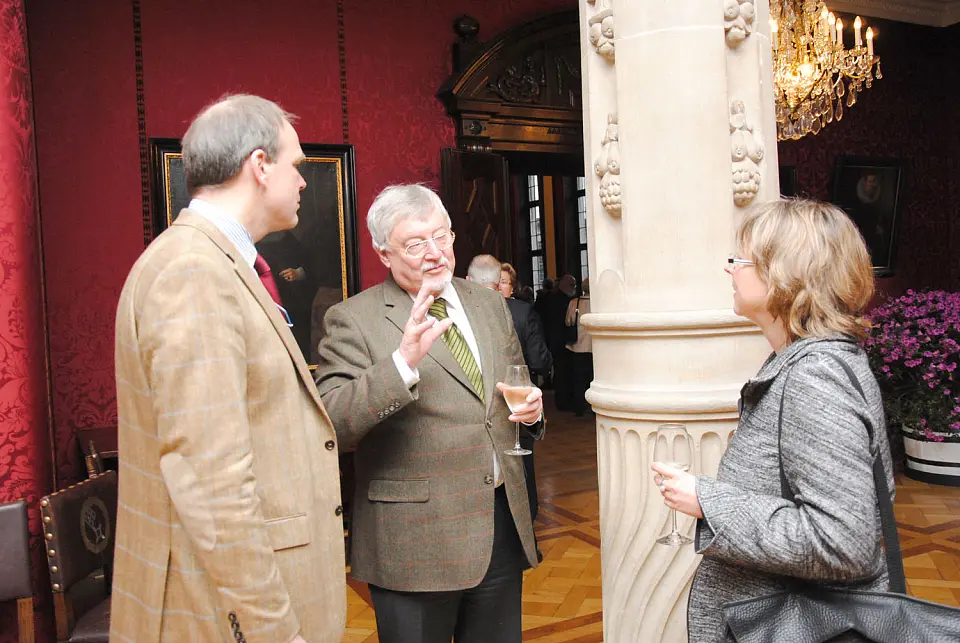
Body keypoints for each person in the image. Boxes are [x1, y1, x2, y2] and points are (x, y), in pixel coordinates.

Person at [111, 95, 346, 643]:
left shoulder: (213, 261)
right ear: (259, 166)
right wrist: (274, 631)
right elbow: (211, 479)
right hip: (223, 614)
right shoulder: (194, 272)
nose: (304, 182)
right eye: (296, 166)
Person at [652, 199, 894, 642]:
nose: (730, 270)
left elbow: (844, 543)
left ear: (785, 275)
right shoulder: (807, 361)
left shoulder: (815, 376)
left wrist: (709, 501)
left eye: (740, 260)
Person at [314, 185, 544, 643]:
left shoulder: (488, 304)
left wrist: (533, 413)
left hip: (498, 524)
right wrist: (401, 364)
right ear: (384, 253)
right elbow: (332, 423)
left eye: (442, 236)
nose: (436, 253)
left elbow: (512, 395)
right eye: (416, 243)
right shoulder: (353, 319)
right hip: (414, 543)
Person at [469, 255, 552, 521]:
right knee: (522, 473)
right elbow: (539, 360)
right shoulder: (521, 311)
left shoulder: (457, 313)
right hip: (519, 403)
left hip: (477, 413)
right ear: (497, 284)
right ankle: (527, 540)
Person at [564, 277, 593, 416]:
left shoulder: (574, 303)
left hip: (578, 346)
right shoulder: (598, 304)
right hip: (595, 347)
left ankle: (579, 406)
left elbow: (568, 321)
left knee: (579, 379)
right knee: (593, 378)